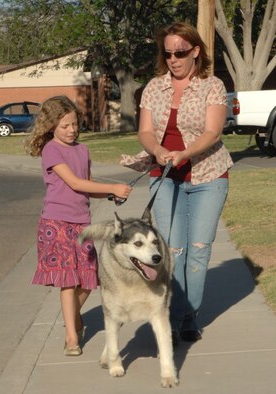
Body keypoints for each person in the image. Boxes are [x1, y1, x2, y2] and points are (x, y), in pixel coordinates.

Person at [121, 22, 233, 346]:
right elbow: (144, 132)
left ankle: (187, 318)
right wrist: (157, 151)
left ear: (196, 51)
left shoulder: (213, 86)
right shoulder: (154, 88)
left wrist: (184, 153)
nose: (173, 59)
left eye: (180, 52)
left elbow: (213, 132)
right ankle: (171, 320)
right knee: (171, 251)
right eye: (168, 53)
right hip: (165, 176)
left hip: (207, 175)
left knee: (197, 251)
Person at [25, 96, 132, 356]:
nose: (72, 130)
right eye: (65, 126)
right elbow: (75, 183)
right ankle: (71, 336)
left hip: (81, 224)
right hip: (56, 222)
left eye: (75, 124)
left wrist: (109, 194)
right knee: (68, 282)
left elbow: (87, 187)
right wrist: (113, 186)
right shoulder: (52, 149)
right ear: (52, 126)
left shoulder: (82, 150)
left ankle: (74, 318)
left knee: (87, 281)